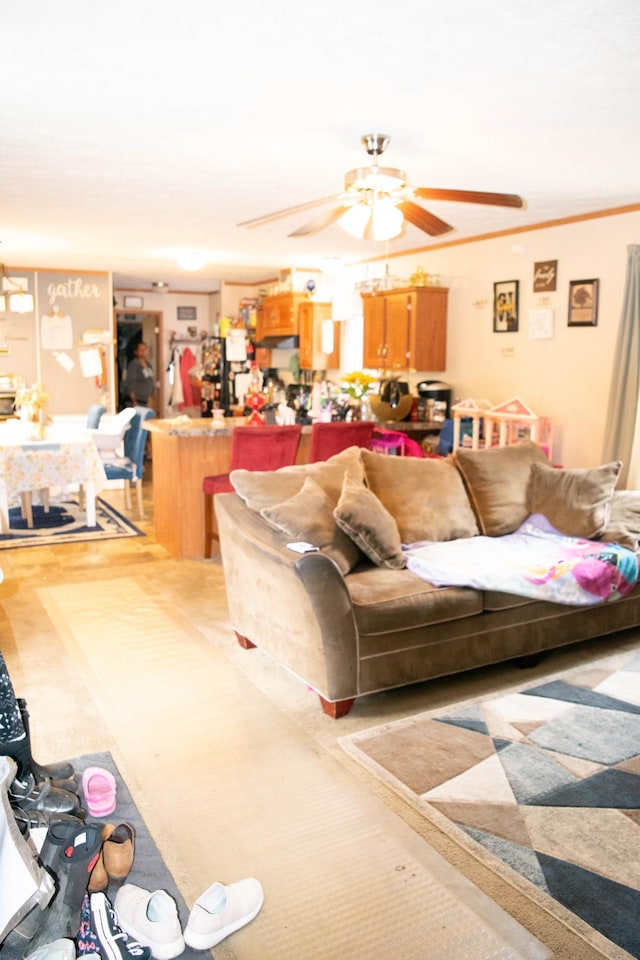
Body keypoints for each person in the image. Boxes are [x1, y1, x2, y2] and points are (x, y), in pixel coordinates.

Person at [124, 341, 155, 408]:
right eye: (141, 350)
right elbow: (130, 383)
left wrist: (152, 397)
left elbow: (151, 381)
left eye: (145, 349)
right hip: (136, 401)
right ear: (136, 352)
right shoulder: (134, 365)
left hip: (146, 400)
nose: (143, 351)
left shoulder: (149, 365)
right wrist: (134, 401)